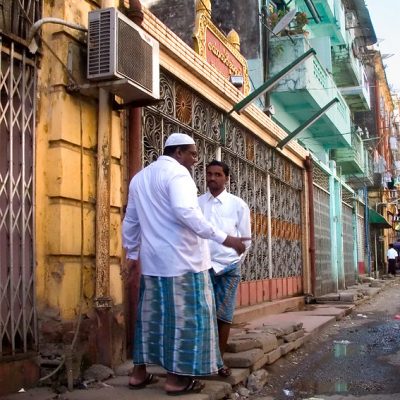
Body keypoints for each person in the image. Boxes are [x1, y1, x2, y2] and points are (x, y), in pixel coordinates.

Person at [122, 133, 249, 396]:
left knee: (151, 319)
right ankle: (177, 380)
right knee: (188, 320)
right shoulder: (179, 176)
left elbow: (131, 221)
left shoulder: (140, 178)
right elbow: (186, 212)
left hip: (154, 264)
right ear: (178, 152)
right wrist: (225, 238)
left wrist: (132, 256)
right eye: (192, 153)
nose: (195, 159)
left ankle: (139, 374)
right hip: (185, 263)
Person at [198, 160, 251, 378]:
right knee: (203, 313)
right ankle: (202, 360)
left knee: (224, 315)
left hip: (229, 267)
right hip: (203, 266)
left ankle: (218, 361)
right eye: (209, 174)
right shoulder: (197, 203)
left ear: (226, 178)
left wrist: (236, 261)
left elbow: (246, 239)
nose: (212, 178)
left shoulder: (238, 205)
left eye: (218, 174)